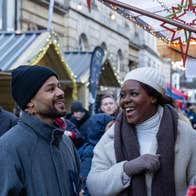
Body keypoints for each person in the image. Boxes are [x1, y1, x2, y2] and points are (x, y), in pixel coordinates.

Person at [87, 67, 196, 196]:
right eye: (122, 95)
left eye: (133, 94)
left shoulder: (185, 134)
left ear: (153, 97)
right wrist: (127, 169)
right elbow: (93, 185)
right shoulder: (112, 135)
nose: (125, 100)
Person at [0, 65, 80, 195]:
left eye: (58, 86)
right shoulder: (8, 148)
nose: (60, 92)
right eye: (50, 89)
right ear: (29, 103)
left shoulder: (66, 143)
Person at [78, 113, 114, 196]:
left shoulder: (105, 145)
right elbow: (84, 179)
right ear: (99, 129)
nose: (113, 129)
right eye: (110, 126)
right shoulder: (91, 151)